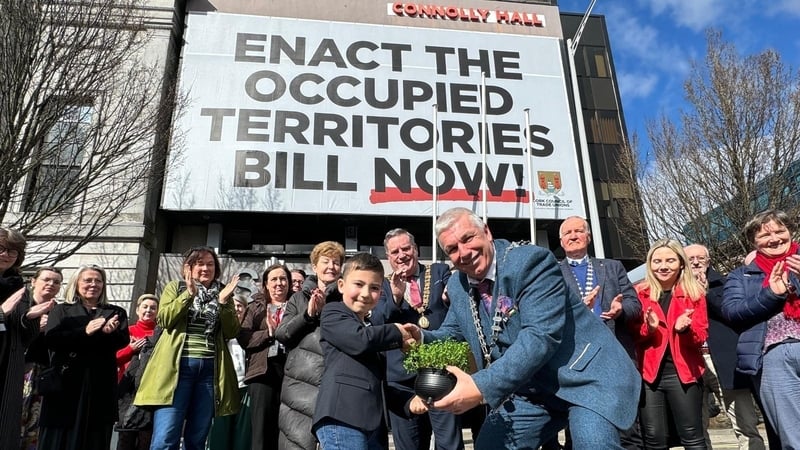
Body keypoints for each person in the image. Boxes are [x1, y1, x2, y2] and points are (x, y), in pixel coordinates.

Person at [411, 207, 641, 449]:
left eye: (468, 238)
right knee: (490, 446)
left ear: (487, 232)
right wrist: (421, 337)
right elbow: (453, 334)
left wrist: (480, 386)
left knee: (593, 444)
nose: (464, 252)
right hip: (534, 390)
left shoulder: (531, 262)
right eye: (452, 249)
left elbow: (540, 336)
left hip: (587, 377)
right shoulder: (458, 285)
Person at [549, 216, 642, 450]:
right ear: (561, 241)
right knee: (579, 429)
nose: (573, 236)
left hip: (614, 353)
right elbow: (549, 313)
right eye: (568, 233)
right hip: (577, 359)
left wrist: (620, 309)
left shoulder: (612, 267)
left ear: (588, 237)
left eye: (578, 231)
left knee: (627, 428)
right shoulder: (552, 273)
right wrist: (580, 308)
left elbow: (634, 303)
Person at [134, 246, 241, 450]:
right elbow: (164, 319)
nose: (205, 268)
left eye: (210, 264)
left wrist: (224, 302)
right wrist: (188, 295)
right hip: (176, 369)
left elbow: (231, 331)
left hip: (209, 371)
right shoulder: (175, 288)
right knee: (166, 437)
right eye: (200, 264)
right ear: (188, 267)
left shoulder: (222, 291)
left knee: (197, 438)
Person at [370, 228, 462, 450]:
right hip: (401, 380)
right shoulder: (381, 285)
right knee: (409, 445)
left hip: (440, 372)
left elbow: (457, 301)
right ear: (388, 257)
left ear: (416, 250)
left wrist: (452, 294)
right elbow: (378, 322)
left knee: (449, 443)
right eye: (395, 252)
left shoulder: (439, 271)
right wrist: (396, 297)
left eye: (406, 248)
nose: (401, 255)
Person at [313, 252, 413, 449]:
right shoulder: (333, 312)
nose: (366, 293)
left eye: (374, 288)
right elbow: (359, 340)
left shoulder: (371, 327)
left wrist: (409, 402)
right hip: (342, 417)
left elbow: (377, 383)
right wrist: (397, 332)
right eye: (358, 284)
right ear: (341, 285)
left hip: (373, 425)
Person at [723, 209, 800, 448]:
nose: (775, 238)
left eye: (780, 231)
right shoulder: (741, 275)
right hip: (772, 356)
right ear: (753, 241)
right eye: (765, 235)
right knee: (792, 433)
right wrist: (772, 294)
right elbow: (732, 312)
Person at [39, 264, 129, 450]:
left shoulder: (115, 312)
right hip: (65, 386)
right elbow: (52, 340)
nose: (93, 284)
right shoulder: (62, 310)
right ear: (77, 283)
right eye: (88, 280)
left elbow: (122, 341)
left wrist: (107, 333)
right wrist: (85, 332)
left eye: (98, 280)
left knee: (95, 438)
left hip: (99, 387)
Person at [684, 244, 766, 450]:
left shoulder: (726, 283)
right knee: (695, 427)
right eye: (690, 258)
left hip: (724, 360)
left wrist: (707, 293)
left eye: (700, 258)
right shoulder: (674, 289)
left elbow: (734, 314)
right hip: (689, 360)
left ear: (709, 261)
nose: (695, 262)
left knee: (744, 422)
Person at [634, 239, 708, 450]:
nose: (663, 266)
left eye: (670, 260)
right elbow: (632, 335)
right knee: (654, 438)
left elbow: (701, 336)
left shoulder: (695, 294)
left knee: (692, 436)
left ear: (681, 263)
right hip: (649, 376)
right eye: (657, 261)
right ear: (650, 265)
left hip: (683, 374)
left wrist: (684, 329)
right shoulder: (640, 294)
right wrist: (648, 329)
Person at [275, 241, 345, 450]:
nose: (331, 266)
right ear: (314, 266)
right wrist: (308, 315)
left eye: (336, 262)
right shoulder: (298, 298)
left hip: (334, 380)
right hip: (299, 381)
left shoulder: (346, 298)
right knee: (295, 440)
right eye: (325, 261)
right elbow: (282, 333)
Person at [0, 231, 55, 450]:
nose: (6, 254)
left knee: (6, 426)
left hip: (10, 366)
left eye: (13, 250)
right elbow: (4, 316)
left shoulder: (18, 286)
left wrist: (29, 318)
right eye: (2, 249)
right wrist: (2, 313)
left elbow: (25, 336)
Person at [239, 263, 292, 450]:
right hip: (262, 371)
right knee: (261, 430)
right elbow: (244, 337)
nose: (279, 283)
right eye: (274, 279)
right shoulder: (256, 307)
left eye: (283, 279)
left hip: (291, 371)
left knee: (287, 428)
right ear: (266, 284)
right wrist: (268, 333)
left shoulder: (297, 304)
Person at [20, 267, 63, 450]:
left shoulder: (59, 311)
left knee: (35, 426)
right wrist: (34, 328)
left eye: (56, 282)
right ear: (33, 282)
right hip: (19, 370)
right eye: (46, 280)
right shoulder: (20, 306)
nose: (51, 284)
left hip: (44, 374)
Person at [207, 293, 251, 450]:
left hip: (246, 388)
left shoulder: (250, 333)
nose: (237, 308)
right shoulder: (217, 332)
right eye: (233, 305)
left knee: (243, 436)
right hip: (222, 388)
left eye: (240, 305)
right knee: (219, 434)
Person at [115, 294, 160, 450]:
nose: (149, 310)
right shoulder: (127, 331)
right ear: (137, 310)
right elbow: (114, 358)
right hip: (127, 389)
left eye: (153, 308)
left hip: (150, 390)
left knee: (145, 437)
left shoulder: (160, 334)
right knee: (126, 436)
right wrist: (131, 349)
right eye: (145, 307)